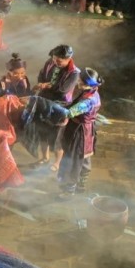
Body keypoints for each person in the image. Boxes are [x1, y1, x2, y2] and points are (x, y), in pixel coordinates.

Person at [49, 68, 103, 199]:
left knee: (73, 161)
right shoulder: (92, 92)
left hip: (79, 132)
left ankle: (68, 191)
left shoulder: (88, 100)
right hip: (87, 130)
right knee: (84, 159)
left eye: (80, 80)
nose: (78, 81)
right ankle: (80, 186)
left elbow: (70, 112)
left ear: (86, 83)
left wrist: (52, 107)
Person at [33, 44, 80, 167]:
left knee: (56, 137)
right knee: (42, 132)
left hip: (60, 106)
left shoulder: (74, 73)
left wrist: (45, 85)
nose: (55, 62)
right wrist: (41, 82)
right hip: (44, 102)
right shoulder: (50, 62)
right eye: (54, 59)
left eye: (59, 61)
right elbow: (41, 74)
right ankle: (45, 157)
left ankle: (57, 163)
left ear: (68, 59)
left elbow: (63, 89)